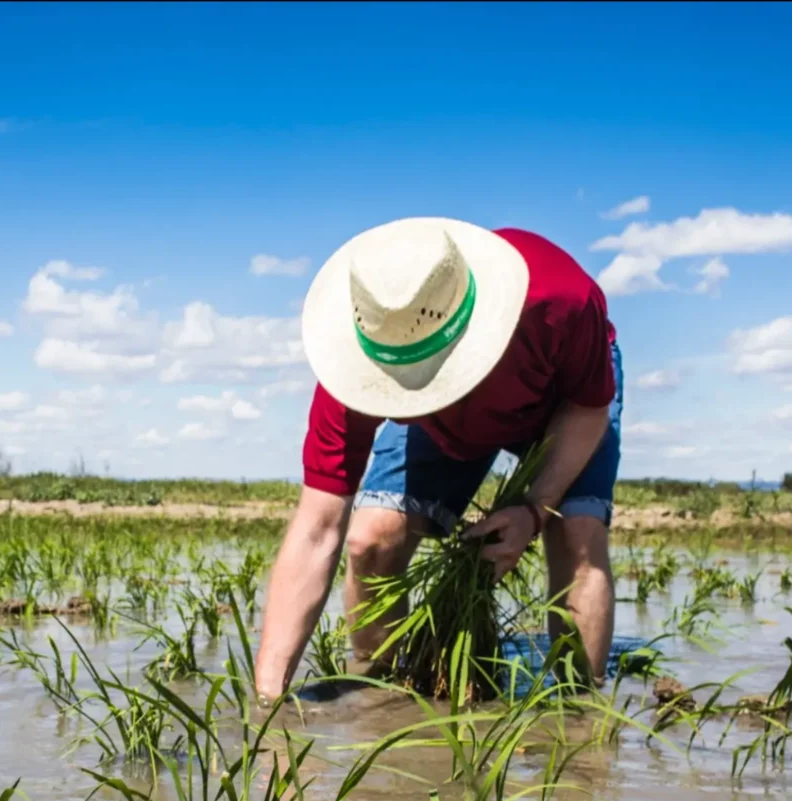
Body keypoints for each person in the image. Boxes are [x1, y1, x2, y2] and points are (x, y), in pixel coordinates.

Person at [252, 216, 624, 702]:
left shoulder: (558, 299)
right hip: (459, 421)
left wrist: (534, 509)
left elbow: (588, 407)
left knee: (576, 534)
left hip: (563, 404)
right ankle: (381, 688)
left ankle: (583, 712)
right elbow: (317, 529)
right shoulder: (361, 353)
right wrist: (267, 700)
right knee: (371, 540)